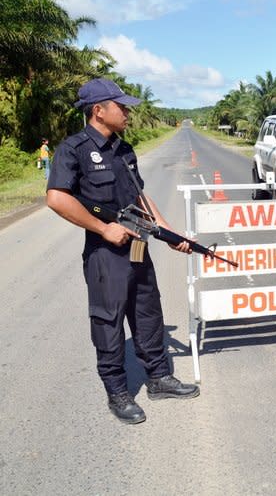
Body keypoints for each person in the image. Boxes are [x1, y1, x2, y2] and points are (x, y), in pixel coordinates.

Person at [46, 78, 200, 425]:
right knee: (109, 320)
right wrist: (103, 228)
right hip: (104, 254)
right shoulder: (74, 149)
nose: (128, 111)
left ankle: (159, 378)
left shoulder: (124, 149)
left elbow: (139, 198)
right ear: (98, 111)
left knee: (148, 312)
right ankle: (117, 392)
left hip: (138, 248)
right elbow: (57, 198)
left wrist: (167, 231)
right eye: (121, 106)